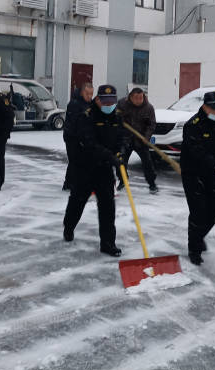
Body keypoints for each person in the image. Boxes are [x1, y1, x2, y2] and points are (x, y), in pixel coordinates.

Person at [62, 84, 127, 256]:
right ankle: (68, 227)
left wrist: (120, 152)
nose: (108, 105)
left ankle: (108, 244)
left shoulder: (117, 117)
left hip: (104, 170)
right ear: (97, 99)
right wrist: (110, 156)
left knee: (107, 207)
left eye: (111, 101)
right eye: (105, 101)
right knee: (77, 201)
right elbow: (89, 143)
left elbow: (122, 138)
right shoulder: (87, 116)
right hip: (85, 167)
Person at [180, 91, 215, 265]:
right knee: (198, 212)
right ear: (205, 106)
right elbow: (198, 153)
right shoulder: (192, 125)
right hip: (194, 173)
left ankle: (198, 235)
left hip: (213, 174)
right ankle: (194, 249)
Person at [116, 87, 159, 194]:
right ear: (130, 97)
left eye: (141, 98)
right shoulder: (122, 104)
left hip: (140, 140)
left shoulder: (148, 108)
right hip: (126, 138)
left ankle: (152, 184)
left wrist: (147, 136)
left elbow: (152, 124)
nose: (139, 100)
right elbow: (115, 118)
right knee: (121, 161)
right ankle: (122, 181)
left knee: (147, 162)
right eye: (136, 98)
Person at [63, 82, 94, 191]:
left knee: (79, 161)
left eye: (91, 94)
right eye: (87, 94)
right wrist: (79, 138)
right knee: (74, 161)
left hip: (82, 138)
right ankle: (69, 184)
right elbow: (74, 124)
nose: (89, 96)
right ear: (82, 92)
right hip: (72, 138)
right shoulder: (74, 104)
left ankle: (71, 183)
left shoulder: (89, 104)